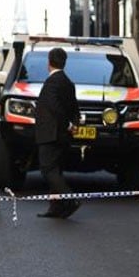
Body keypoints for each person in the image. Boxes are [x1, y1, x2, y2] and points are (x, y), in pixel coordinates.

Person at [35, 47, 81, 218]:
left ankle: (70, 200)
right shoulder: (68, 82)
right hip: (61, 134)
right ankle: (56, 207)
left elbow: (54, 107)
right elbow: (74, 107)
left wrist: (68, 125)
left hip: (51, 133)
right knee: (56, 169)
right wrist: (74, 124)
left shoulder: (52, 82)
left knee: (48, 169)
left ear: (49, 62)